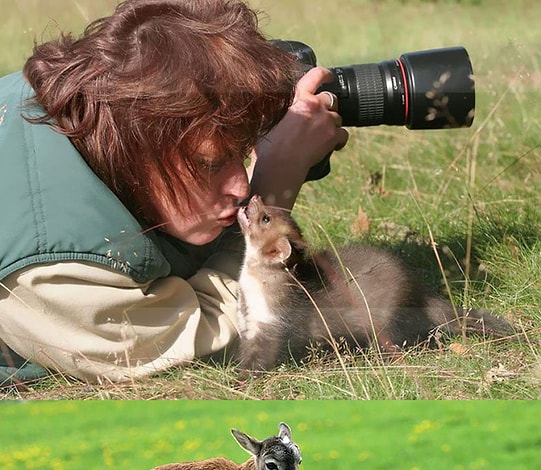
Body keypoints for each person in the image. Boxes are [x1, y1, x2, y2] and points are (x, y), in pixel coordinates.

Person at [0, 0, 348, 385]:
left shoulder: (64, 98)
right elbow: (203, 335)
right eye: (210, 164)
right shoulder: (54, 267)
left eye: (242, 153)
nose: (241, 186)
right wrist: (278, 180)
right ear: (133, 149)